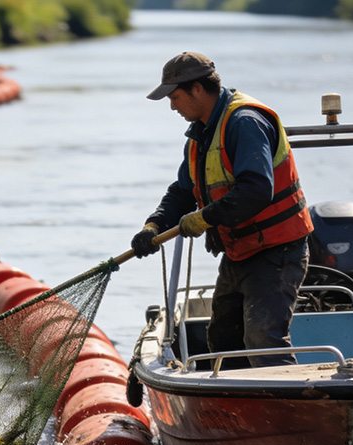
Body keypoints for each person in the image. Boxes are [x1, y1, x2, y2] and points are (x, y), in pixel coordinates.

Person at [131, 52, 313, 367]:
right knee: (223, 340)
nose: (173, 106)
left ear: (197, 90)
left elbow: (255, 190)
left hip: (277, 252)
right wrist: (153, 227)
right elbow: (182, 192)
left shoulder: (244, 123)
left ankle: (297, 410)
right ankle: (235, 408)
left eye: (175, 97)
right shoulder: (200, 135)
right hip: (239, 253)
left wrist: (204, 219)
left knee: (262, 339)